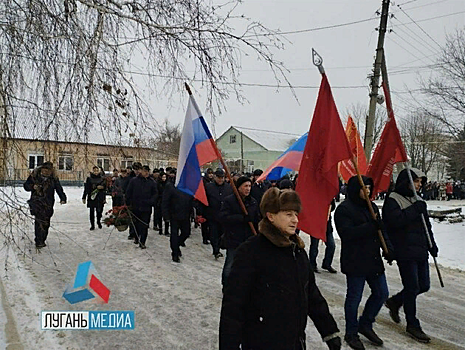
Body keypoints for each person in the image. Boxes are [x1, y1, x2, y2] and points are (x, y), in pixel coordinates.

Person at [220, 188, 341, 350]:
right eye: (288, 214)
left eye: (296, 214)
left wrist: (329, 331)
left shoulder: (297, 251)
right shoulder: (251, 252)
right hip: (261, 342)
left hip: (295, 342)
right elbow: (233, 306)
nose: (295, 220)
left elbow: (311, 294)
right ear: (271, 216)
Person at [335, 176, 393, 350]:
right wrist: (371, 226)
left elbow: (380, 229)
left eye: (368, 188)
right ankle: (351, 333)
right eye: (363, 188)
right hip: (355, 260)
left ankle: (365, 323)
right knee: (354, 298)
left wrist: (388, 248)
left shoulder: (372, 206)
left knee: (382, 293)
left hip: (373, 259)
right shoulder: (344, 209)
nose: (366, 191)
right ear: (354, 189)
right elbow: (347, 233)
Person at [382, 168, 439, 343]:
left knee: (423, 285)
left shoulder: (418, 200)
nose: (419, 185)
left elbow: (425, 225)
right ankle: (412, 324)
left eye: (420, 182)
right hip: (404, 249)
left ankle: (395, 301)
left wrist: (432, 244)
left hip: (420, 248)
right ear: (406, 181)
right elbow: (394, 222)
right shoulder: (393, 199)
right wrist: (415, 209)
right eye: (416, 181)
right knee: (412, 286)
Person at [219, 176, 259, 290]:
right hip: (234, 238)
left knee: (246, 266)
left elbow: (256, 219)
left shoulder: (253, 202)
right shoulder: (229, 201)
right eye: (245, 186)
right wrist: (241, 218)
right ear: (239, 187)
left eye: (250, 186)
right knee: (230, 264)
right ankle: (226, 286)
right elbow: (223, 217)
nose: (248, 189)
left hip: (248, 239)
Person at [24, 161, 67, 248]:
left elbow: (59, 189)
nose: (46, 172)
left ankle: (42, 239)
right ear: (41, 169)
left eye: (48, 170)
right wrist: (33, 187)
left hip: (48, 203)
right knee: (39, 220)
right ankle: (38, 240)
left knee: (46, 222)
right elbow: (26, 186)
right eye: (44, 170)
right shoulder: (34, 176)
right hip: (36, 202)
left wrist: (63, 198)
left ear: (51, 171)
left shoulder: (53, 178)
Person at [126, 165, 158, 249]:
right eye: (144, 170)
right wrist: (127, 203)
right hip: (135, 206)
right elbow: (128, 193)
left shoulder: (152, 182)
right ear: (140, 171)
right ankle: (136, 237)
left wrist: (151, 201)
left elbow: (155, 194)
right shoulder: (134, 181)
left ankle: (142, 241)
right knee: (136, 224)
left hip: (146, 207)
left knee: (144, 225)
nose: (146, 172)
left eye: (147, 171)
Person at [162, 181, 193, 262]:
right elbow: (165, 201)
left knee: (186, 233)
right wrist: (166, 215)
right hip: (174, 215)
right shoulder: (171, 186)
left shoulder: (188, 186)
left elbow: (191, 200)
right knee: (174, 235)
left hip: (185, 215)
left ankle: (177, 245)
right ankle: (175, 253)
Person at [204, 168, 232, 259]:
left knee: (222, 233)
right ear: (215, 177)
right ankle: (216, 250)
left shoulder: (229, 187)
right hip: (212, 215)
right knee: (213, 234)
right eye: (218, 177)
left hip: (224, 216)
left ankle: (219, 246)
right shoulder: (208, 187)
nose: (220, 179)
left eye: (222, 177)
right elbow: (204, 201)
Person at [310, 199, 337, 274]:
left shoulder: (329, 196)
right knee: (314, 246)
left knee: (331, 245)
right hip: (315, 224)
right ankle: (312, 264)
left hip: (327, 226)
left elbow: (333, 206)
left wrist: (330, 206)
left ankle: (327, 263)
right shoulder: (315, 196)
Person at [82, 166, 107, 230]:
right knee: (92, 211)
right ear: (92, 171)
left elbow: (105, 188)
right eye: (94, 170)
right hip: (92, 197)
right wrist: (84, 197)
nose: (96, 172)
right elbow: (86, 188)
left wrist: (102, 188)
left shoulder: (102, 179)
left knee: (99, 211)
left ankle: (98, 221)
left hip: (100, 197)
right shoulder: (89, 179)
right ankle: (92, 225)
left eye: (97, 170)